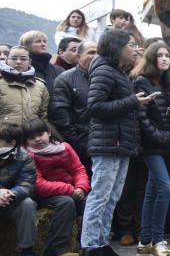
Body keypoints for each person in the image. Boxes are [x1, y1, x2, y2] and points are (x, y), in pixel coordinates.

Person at [80, 29, 152, 256]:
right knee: (100, 196)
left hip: (119, 143)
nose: (134, 49)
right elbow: (95, 107)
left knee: (111, 198)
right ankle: (90, 249)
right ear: (117, 46)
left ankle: (101, 245)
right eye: (130, 44)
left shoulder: (118, 72)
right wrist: (133, 101)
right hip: (108, 144)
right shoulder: (104, 71)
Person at [131, 42, 170, 256]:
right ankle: (158, 240)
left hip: (163, 145)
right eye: (159, 55)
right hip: (150, 146)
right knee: (166, 189)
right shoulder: (142, 81)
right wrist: (161, 137)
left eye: (167, 55)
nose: (164, 59)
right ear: (151, 58)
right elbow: (141, 117)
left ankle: (145, 241)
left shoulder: (166, 84)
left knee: (152, 191)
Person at [22, 118, 87, 256]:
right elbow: (38, 183)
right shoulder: (29, 155)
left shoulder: (65, 147)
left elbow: (78, 169)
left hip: (71, 189)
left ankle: (86, 243)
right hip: (42, 194)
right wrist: (70, 190)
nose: (37, 139)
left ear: (49, 133)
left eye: (40, 134)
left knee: (90, 201)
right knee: (66, 202)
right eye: (32, 138)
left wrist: (81, 187)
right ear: (26, 141)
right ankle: (55, 249)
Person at [49, 40, 97, 174]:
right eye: (91, 52)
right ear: (78, 56)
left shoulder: (105, 78)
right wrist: (79, 143)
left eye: (99, 53)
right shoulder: (65, 79)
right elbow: (60, 116)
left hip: (102, 144)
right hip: (80, 146)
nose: (96, 56)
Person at [0, 123, 44, 256]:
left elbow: (27, 185)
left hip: (9, 201)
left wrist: (8, 194)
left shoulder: (24, 158)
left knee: (27, 203)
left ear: (11, 143)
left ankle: (27, 251)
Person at [0, 46, 49, 125]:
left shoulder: (40, 85)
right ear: (6, 60)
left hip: (32, 135)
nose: (18, 62)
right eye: (14, 58)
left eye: (23, 59)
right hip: (5, 135)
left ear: (29, 62)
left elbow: (44, 116)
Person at [19, 31, 63, 96]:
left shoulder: (59, 70)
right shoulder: (20, 68)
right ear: (26, 45)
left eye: (44, 41)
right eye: (38, 41)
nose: (43, 44)